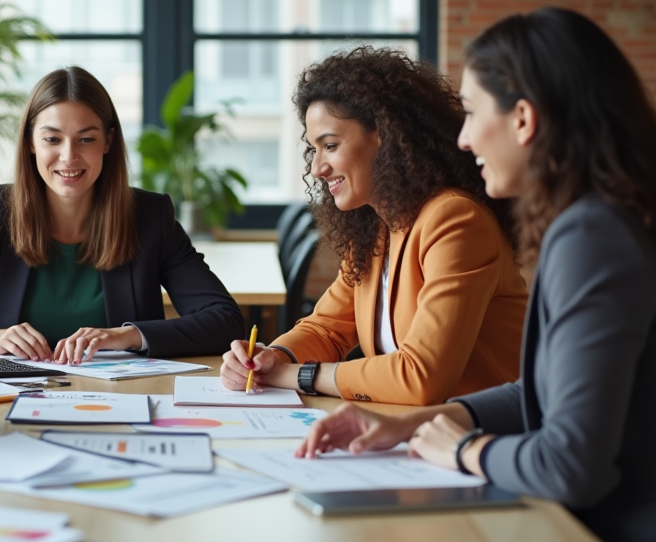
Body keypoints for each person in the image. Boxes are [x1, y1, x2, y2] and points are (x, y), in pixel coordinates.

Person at [298, 9, 656, 542]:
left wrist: (463, 448)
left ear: (524, 119)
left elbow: (569, 465)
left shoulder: (594, 236)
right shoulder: (606, 221)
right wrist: (421, 424)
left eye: (472, 113)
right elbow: (542, 389)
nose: (462, 138)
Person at [0, 66, 245, 363]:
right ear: (30, 143)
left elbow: (225, 320)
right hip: (11, 405)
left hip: (123, 404)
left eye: (86, 139)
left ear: (108, 141)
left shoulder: (150, 216)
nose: (69, 157)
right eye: (52, 139)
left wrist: (127, 335)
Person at [221, 47, 527, 405]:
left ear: (385, 134)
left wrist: (297, 374)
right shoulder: (376, 229)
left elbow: (421, 376)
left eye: (330, 145)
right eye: (313, 150)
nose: (317, 168)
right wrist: (271, 358)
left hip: (486, 429)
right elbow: (326, 329)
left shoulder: (455, 219)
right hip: (409, 425)